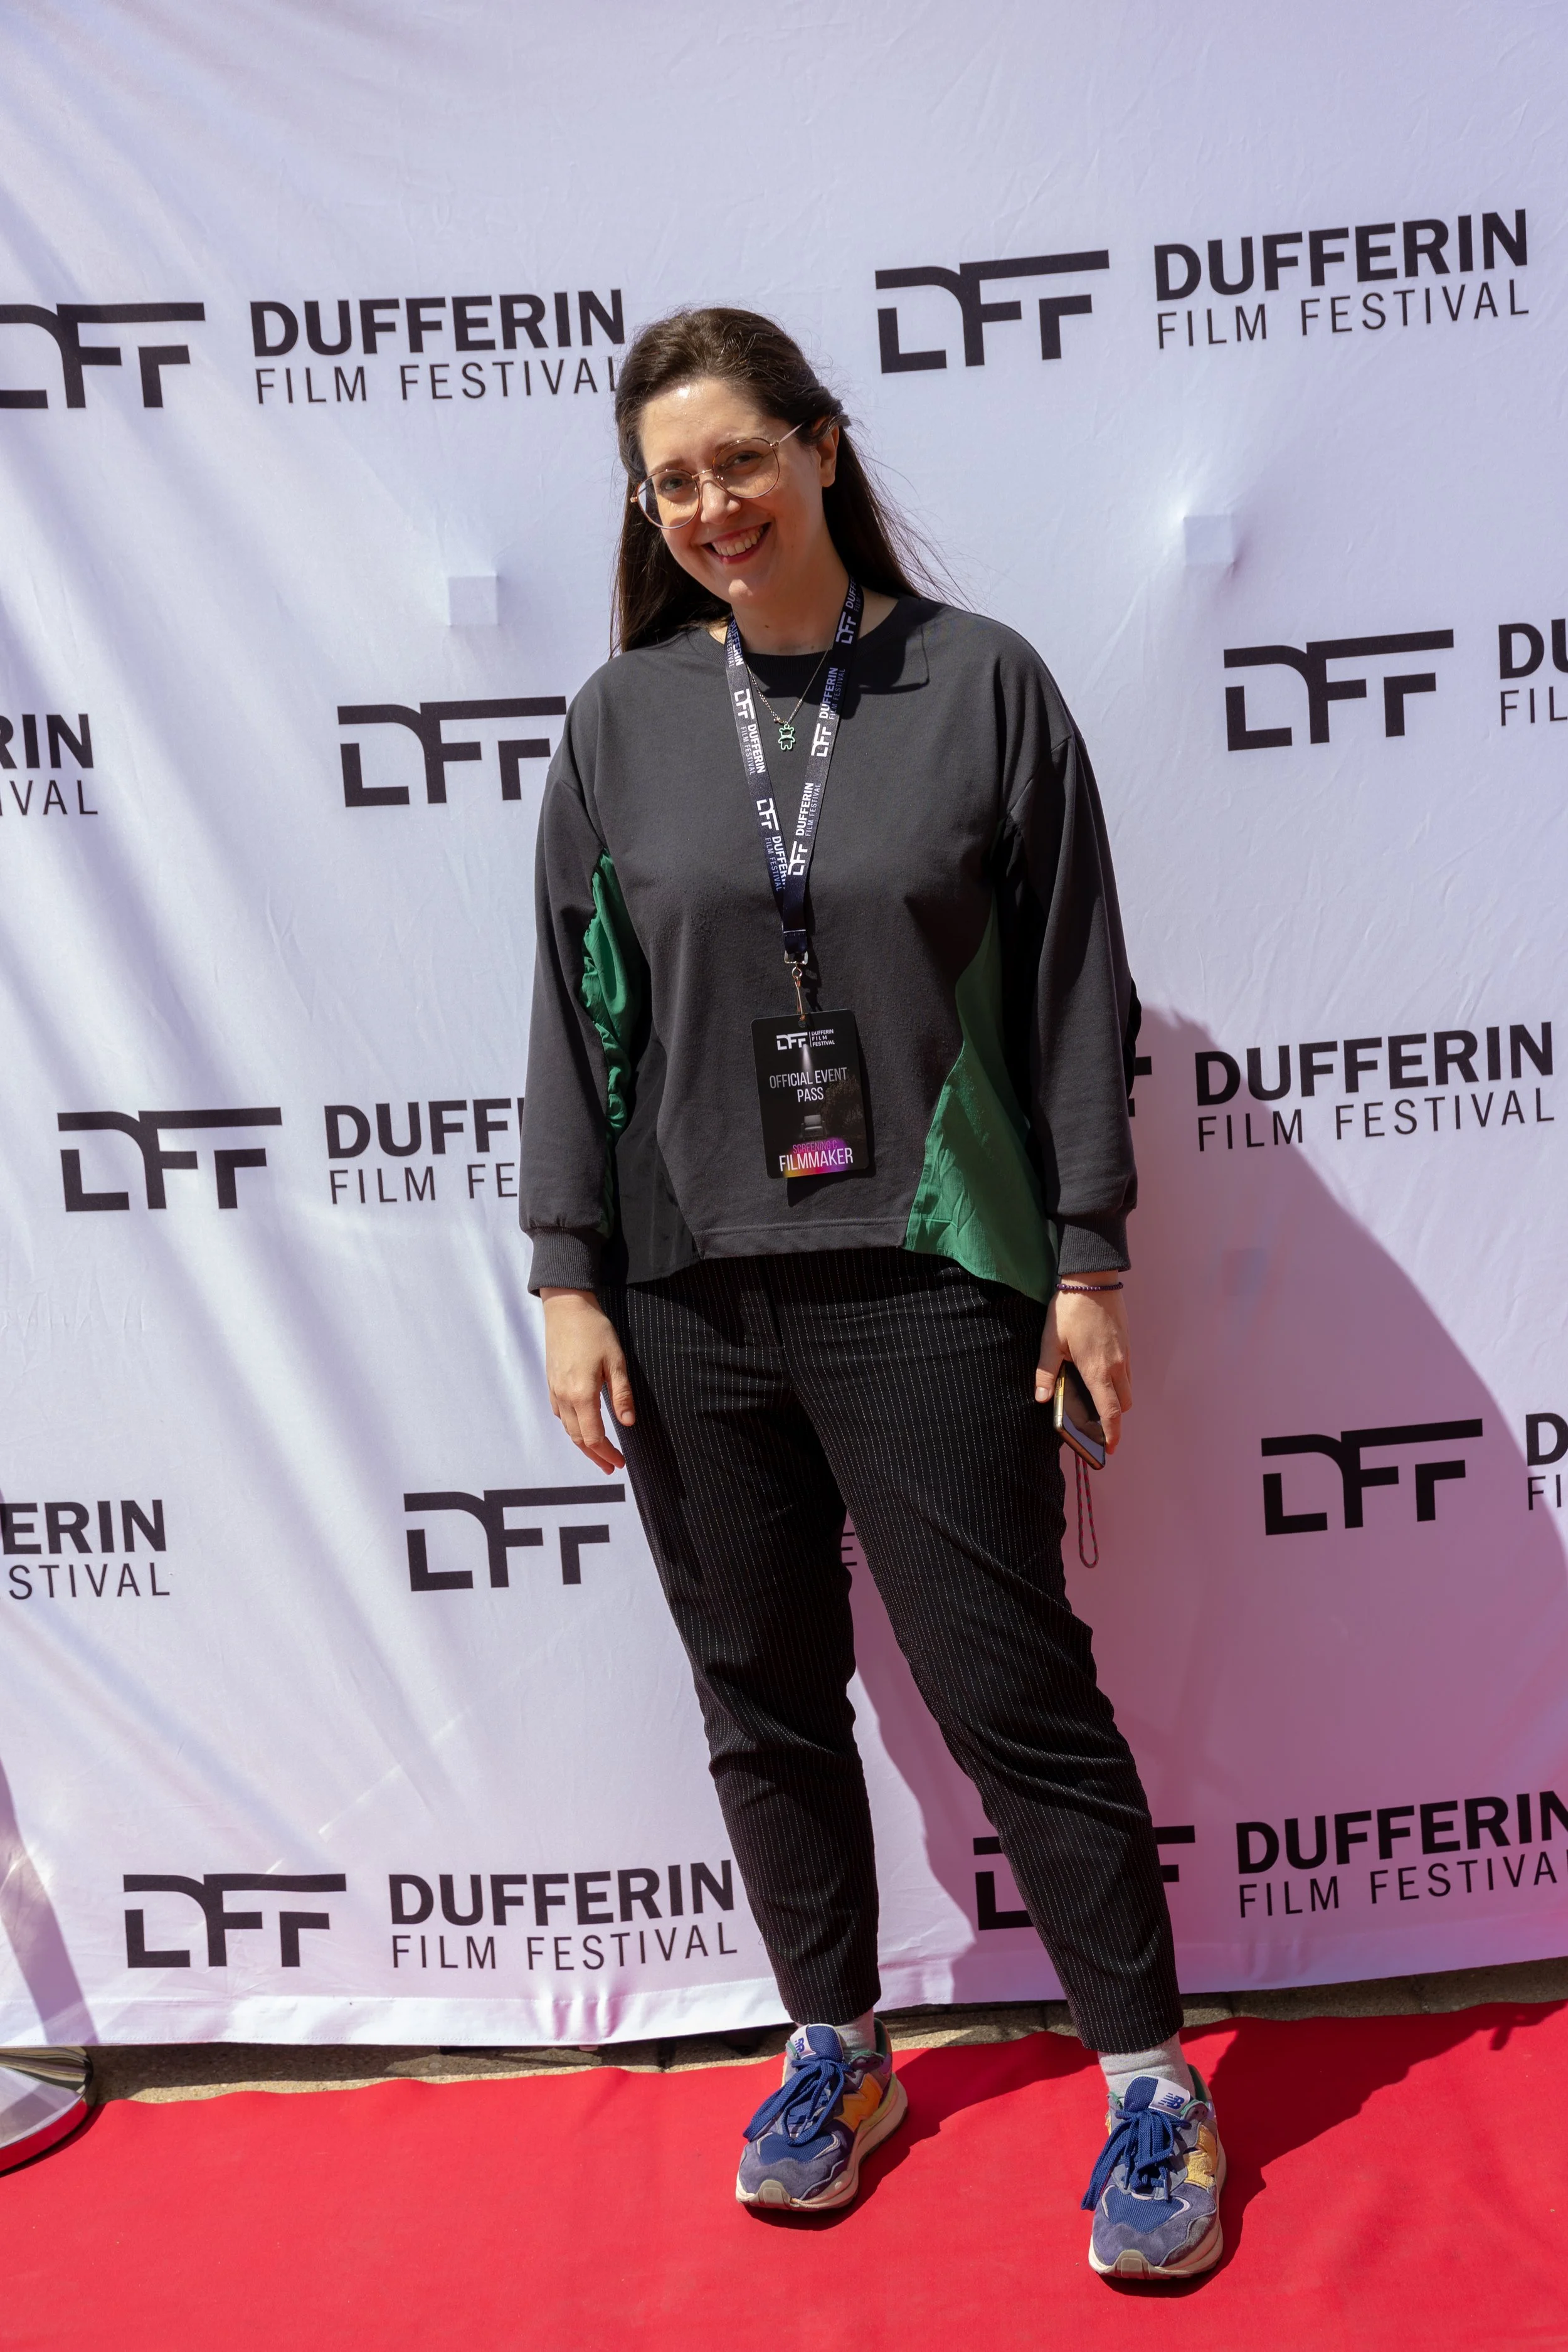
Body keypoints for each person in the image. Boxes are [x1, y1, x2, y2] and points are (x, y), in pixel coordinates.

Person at [519, 307, 1223, 2282]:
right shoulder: (618, 717)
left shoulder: (979, 682)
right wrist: (569, 1275)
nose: (711, 505)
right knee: (758, 1695)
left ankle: (1151, 2078)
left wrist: (1087, 1253)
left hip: (925, 1275)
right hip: (683, 1300)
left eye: (741, 458)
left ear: (824, 450)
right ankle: (838, 2044)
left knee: (1012, 1693)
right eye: (672, 481)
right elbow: (573, 1022)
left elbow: (1079, 982)